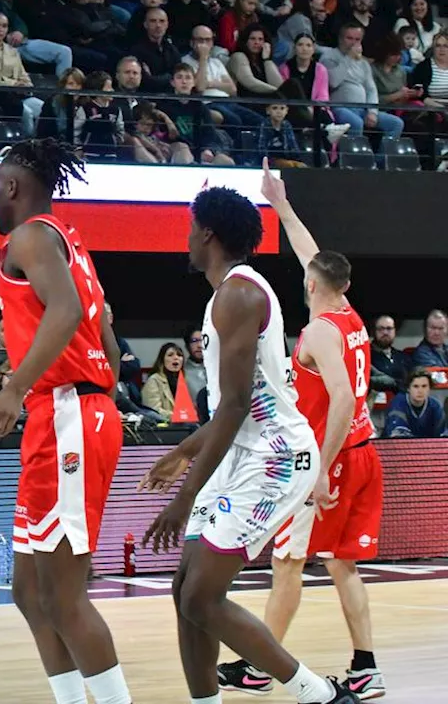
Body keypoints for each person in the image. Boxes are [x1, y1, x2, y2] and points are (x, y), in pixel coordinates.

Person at [139, 185, 357, 704]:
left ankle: (320, 695)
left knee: (201, 596)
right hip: (243, 452)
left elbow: (236, 408)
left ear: (208, 233)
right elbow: (232, 410)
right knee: (184, 592)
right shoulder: (224, 295)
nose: (187, 237)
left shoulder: (239, 295)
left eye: (192, 227)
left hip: (276, 459)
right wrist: (182, 452)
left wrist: (184, 497)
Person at [215, 165, 385, 701]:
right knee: (342, 565)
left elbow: (339, 398)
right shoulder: (351, 315)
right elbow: (311, 252)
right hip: (365, 452)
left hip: (330, 458)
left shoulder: (317, 331)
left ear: (310, 285)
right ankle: (366, 666)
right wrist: (281, 205)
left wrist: (317, 469)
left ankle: (261, 667)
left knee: (287, 562)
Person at [0, 139, 132, 704]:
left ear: (12, 187)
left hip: (67, 415)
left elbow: (67, 314)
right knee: (28, 591)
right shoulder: (70, 242)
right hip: (64, 411)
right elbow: (106, 340)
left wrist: (16, 388)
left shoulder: (31, 235)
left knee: (64, 596)